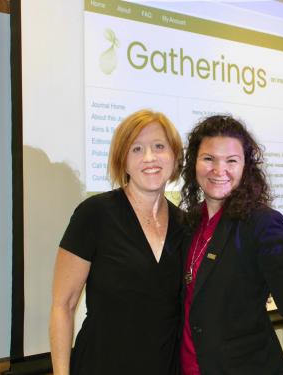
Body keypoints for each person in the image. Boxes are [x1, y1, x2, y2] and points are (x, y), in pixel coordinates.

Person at [179, 115, 283, 375]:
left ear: (246, 167)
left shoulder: (262, 224)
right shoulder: (188, 223)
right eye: (208, 158)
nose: (219, 170)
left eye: (231, 161)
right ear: (194, 163)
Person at [49, 109, 184, 375]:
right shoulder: (95, 214)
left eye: (159, 146)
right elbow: (63, 306)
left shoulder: (184, 224)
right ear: (122, 159)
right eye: (136, 149)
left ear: (174, 156)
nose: (149, 157)